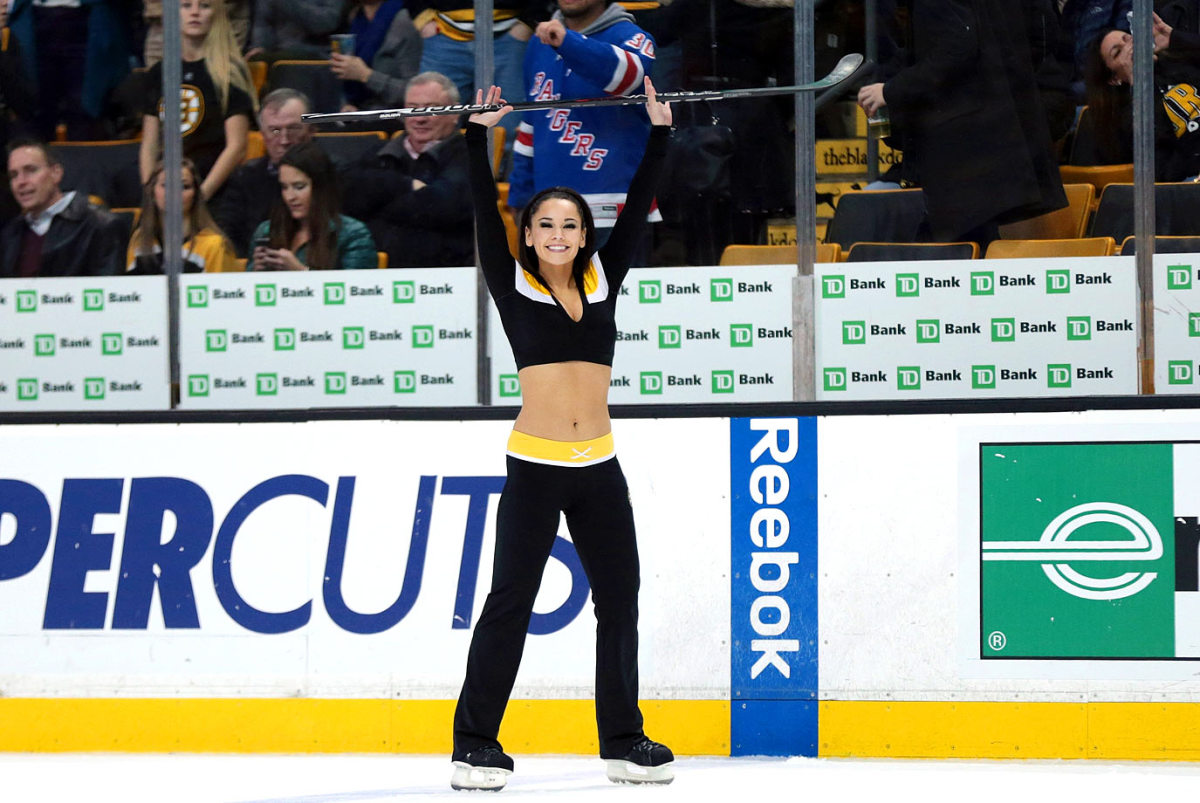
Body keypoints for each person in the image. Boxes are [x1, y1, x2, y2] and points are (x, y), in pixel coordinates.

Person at [449, 82, 674, 792]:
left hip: (600, 466)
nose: (557, 235)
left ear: (584, 234)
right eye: (545, 224)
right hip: (537, 466)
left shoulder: (606, 277)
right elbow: (484, 214)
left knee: (621, 597)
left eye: (569, 225)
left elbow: (636, 208)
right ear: (530, 231)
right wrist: (474, 139)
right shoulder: (512, 284)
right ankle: (474, 743)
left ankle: (623, 739)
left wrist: (659, 132)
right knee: (510, 599)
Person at [856, 0, 1066, 244]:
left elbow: (958, 46)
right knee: (971, 248)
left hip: (966, 154)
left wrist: (893, 90)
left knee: (956, 252)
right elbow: (1041, 38)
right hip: (994, 142)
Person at [508, 0, 658, 249]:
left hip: (615, 209)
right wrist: (521, 195)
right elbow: (531, 122)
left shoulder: (632, 36)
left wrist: (568, 42)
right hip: (550, 210)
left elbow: (630, 77)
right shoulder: (538, 44)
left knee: (616, 289)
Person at [341, 72, 473, 267]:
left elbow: (445, 207)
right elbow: (347, 196)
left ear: (454, 114)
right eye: (412, 109)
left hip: (443, 274)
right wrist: (405, 184)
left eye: (431, 109)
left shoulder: (468, 154)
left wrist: (378, 204)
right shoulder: (381, 152)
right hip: (375, 275)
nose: (419, 118)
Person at [140, 0, 255, 206]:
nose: (195, 12)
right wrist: (151, 193)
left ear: (216, 13)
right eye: (186, 5)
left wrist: (199, 197)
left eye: (204, 6)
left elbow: (237, 146)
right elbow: (149, 144)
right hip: (168, 193)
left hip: (216, 194)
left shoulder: (230, 72)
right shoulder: (159, 72)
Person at [409, 0, 550, 143]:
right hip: (443, 33)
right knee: (431, 126)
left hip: (511, 34)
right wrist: (423, 18)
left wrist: (528, 22)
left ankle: (503, 165)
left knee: (509, 129)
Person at [1085, 13, 1200, 180]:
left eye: (1128, 39)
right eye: (1117, 52)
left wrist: (1176, 39)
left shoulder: (1180, 63)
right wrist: (1139, 82)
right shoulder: (1123, 115)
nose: (1129, 47)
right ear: (1114, 79)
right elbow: (1160, 165)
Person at [8, 0, 132, 141]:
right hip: (36, 18)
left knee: (84, 111)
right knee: (35, 111)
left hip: (86, 19)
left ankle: (82, 159)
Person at [0, 140, 123, 277]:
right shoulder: (9, 233)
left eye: (31, 170)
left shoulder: (100, 225)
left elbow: (108, 292)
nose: (21, 182)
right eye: (14, 175)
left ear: (56, 173)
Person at [215, 88, 314, 257]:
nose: (284, 140)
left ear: (312, 131)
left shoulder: (336, 174)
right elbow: (228, 235)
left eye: (293, 129)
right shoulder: (244, 179)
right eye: (274, 130)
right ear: (262, 134)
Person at [247, 141, 377, 270]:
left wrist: (300, 272)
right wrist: (255, 273)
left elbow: (356, 289)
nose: (290, 197)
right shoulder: (266, 231)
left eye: (299, 187)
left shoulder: (353, 235)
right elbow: (244, 287)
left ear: (321, 187)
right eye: (284, 187)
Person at [127, 158, 239, 273]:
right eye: (166, 185)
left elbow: (219, 289)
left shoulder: (214, 245)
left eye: (184, 187)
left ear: (195, 195)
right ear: (152, 192)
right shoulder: (140, 239)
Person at [328, 0, 422, 111]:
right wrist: (348, 104)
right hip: (360, 113)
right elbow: (347, 80)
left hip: (393, 115)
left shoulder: (404, 20)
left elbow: (416, 93)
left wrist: (367, 76)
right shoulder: (355, 16)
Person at [247, 0, 343, 60]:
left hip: (317, 53)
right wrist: (260, 45)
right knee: (249, 61)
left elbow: (325, 23)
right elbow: (263, 22)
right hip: (278, 52)